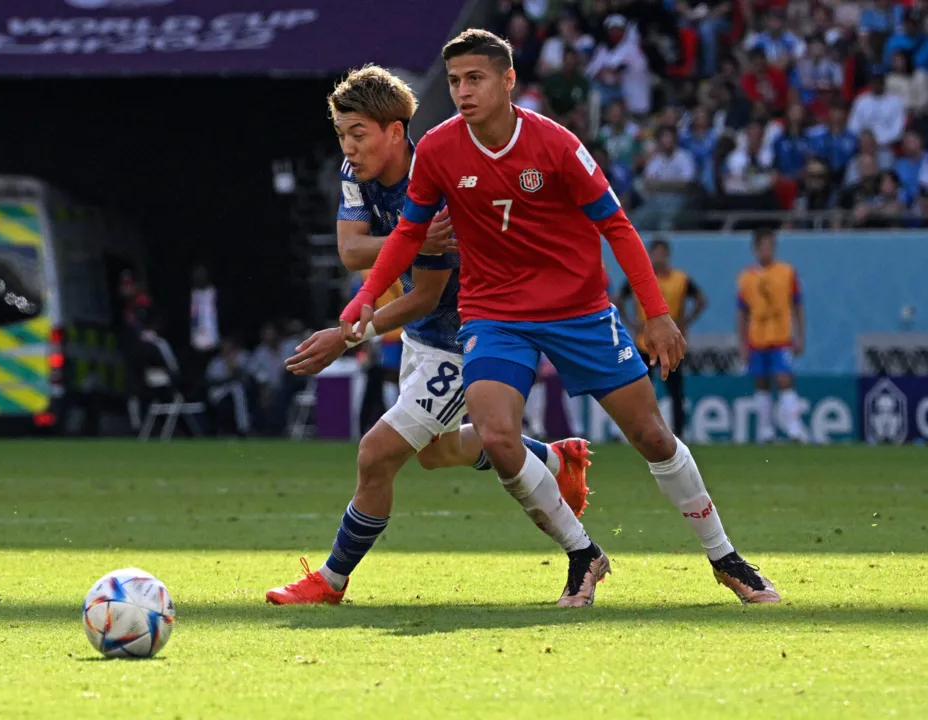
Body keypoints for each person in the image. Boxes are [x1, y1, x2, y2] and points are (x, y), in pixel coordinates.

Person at [340, 30, 779, 607]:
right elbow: (408, 235)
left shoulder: (556, 145)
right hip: (495, 314)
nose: (464, 92)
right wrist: (365, 297)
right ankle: (583, 555)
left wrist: (658, 314)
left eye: (475, 79)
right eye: (454, 81)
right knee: (497, 437)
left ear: (508, 80)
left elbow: (616, 226)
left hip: (579, 310)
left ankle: (725, 558)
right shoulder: (443, 150)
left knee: (651, 435)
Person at [266, 65, 593, 606]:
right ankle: (555, 459)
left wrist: (345, 338)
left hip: (467, 335)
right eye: (342, 135)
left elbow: (422, 294)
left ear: (396, 132)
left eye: (358, 134)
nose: (348, 147)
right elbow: (350, 252)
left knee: (376, 454)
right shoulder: (359, 174)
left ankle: (331, 580)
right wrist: (411, 239)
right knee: (436, 453)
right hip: (420, 335)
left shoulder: (438, 183)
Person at [614, 239, 707, 437]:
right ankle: (639, 431)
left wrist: (684, 322)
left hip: (670, 343)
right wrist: (632, 323)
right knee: (640, 391)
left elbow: (701, 300)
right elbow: (619, 300)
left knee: (675, 392)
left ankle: (679, 434)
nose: (658, 258)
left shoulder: (680, 279)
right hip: (644, 343)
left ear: (667, 255)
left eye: (661, 254)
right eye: (654, 253)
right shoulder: (640, 277)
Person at [737, 229, 808, 444]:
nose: (766, 250)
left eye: (770, 245)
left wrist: (800, 335)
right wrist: (742, 344)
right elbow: (742, 313)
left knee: (784, 379)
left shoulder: (787, 272)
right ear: (755, 248)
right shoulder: (746, 278)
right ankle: (765, 430)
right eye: (763, 246)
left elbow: (797, 305)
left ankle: (794, 429)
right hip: (757, 337)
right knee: (761, 382)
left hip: (781, 336)